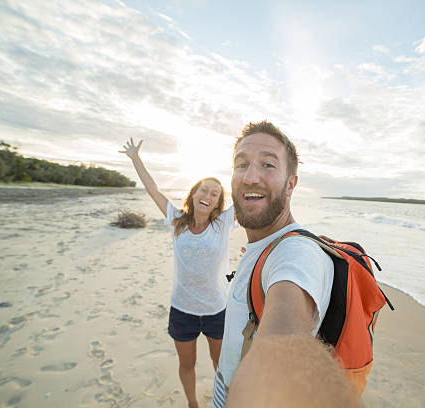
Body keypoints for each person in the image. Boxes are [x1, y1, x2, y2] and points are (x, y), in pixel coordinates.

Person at [212, 121, 360, 407]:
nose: (250, 176)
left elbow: (281, 345)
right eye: (241, 164)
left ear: (291, 183)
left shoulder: (296, 253)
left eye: (268, 164)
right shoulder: (262, 246)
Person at [120, 138, 236, 408]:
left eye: (214, 194)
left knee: (221, 365)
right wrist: (135, 158)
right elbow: (153, 190)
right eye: (203, 191)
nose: (208, 196)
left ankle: (225, 402)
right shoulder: (177, 221)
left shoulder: (223, 224)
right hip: (182, 310)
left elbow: (246, 196)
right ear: (193, 194)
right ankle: (192, 404)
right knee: (188, 364)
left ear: (218, 203)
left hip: (217, 310)